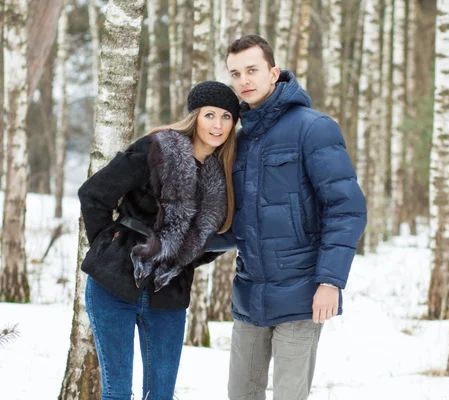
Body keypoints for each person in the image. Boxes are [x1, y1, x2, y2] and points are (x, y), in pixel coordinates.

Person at [219, 34, 367, 400]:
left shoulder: (313, 128)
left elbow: (346, 208)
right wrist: (171, 246)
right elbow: (235, 220)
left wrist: (330, 281)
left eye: (251, 70)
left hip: (302, 294)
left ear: (274, 72)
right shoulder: (239, 139)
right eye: (235, 74)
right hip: (250, 292)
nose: (244, 81)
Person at [78, 81, 239, 400]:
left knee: (160, 395)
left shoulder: (222, 176)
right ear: (195, 116)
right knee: (117, 393)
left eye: (226, 117)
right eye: (209, 115)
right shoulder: (157, 149)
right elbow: (94, 193)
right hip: (114, 288)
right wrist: (111, 249)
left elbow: (210, 239)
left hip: (169, 295)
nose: (217, 125)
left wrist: (184, 256)